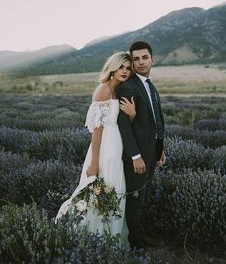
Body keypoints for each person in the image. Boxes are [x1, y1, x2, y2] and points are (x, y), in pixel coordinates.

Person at [55, 52, 136, 240]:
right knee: (96, 190)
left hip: (119, 146)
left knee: (116, 190)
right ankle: (86, 235)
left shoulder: (121, 90)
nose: (124, 71)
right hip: (105, 148)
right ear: (112, 67)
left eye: (128, 68)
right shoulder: (104, 89)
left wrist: (131, 115)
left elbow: (124, 122)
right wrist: (93, 163)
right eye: (120, 67)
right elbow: (97, 130)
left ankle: (110, 235)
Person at [117, 41, 166, 249]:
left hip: (151, 151)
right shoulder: (128, 86)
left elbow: (156, 118)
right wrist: (135, 156)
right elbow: (124, 125)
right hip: (137, 156)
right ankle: (136, 244)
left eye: (144, 57)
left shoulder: (149, 84)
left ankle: (141, 235)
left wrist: (160, 147)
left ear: (152, 59)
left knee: (143, 196)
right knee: (135, 201)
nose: (140, 62)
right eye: (136, 59)